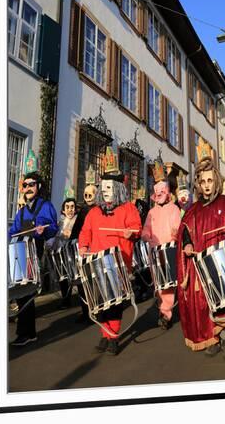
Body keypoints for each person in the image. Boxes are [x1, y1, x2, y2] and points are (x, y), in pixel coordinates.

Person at [177, 157, 225, 361]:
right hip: (201, 264)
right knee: (205, 302)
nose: (206, 186)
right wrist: (187, 244)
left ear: (216, 181)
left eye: (210, 181)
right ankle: (213, 338)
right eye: (202, 182)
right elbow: (185, 230)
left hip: (224, 262)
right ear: (198, 184)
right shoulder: (192, 210)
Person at [78, 147, 142, 355]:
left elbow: (137, 229)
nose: (104, 191)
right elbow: (85, 232)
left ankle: (113, 336)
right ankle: (105, 333)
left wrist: (129, 233)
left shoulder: (128, 209)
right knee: (100, 301)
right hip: (96, 263)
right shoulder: (94, 212)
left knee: (114, 303)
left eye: (108, 187)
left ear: (117, 188)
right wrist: (84, 248)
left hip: (118, 262)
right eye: (102, 187)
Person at [8, 171, 58, 346]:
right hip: (19, 252)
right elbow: (12, 232)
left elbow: (53, 227)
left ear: (39, 186)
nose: (28, 188)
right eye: (25, 185)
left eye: (31, 184)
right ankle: (27, 332)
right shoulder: (21, 212)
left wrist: (45, 231)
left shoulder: (46, 206)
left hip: (33, 250)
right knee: (21, 293)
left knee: (27, 293)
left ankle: (26, 333)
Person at [142, 161, 181, 330]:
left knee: (168, 285)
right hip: (154, 253)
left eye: (161, 191)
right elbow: (146, 231)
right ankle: (163, 309)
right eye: (156, 191)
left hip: (169, 252)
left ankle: (166, 314)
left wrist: (175, 233)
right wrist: (146, 236)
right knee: (159, 285)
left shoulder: (174, 209)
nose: (158, 194)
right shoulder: (151, 212)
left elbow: (179, 230)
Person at [70, 167, 98, 322]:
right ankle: (85, 309)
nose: (87, 197)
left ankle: (95, 309)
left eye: (90, 194)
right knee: (82, 281)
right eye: (85, 194)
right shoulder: (82, 211)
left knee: (94, 280)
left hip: (95, 249)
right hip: (83, 250)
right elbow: (76, 230)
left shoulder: (99, 210)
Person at [53, 194, 78, 309]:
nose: (70, 210)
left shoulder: (77, 222)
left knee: (74, 277)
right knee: (62, 278)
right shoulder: (60, 223)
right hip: (60, 253)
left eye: (72, 207)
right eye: (67, 207)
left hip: (73, 253)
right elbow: (56, 237)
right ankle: (66, 299)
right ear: (63, 210)